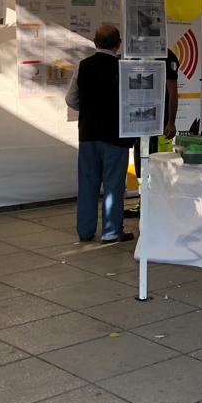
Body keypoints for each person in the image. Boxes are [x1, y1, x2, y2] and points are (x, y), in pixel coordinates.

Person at [65, 24, 135, 244]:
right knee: (113, 185)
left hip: (88, 133)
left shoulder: (83, 66)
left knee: (87, 184)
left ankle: (85, 231)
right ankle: (111, 231)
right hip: (116, 134)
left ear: (95, 42)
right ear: (119, 44)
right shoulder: (124, 68)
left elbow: (71, 99)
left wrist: (88, 110)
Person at [125, 48, 179, 218]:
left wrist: (171, 122)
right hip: (138, 121)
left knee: (157, 165)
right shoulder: (135, 53)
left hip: (159, 124)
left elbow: (172, 91)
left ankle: (157, 204)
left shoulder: (167, 56)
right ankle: (144, 202)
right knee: (140, 164)